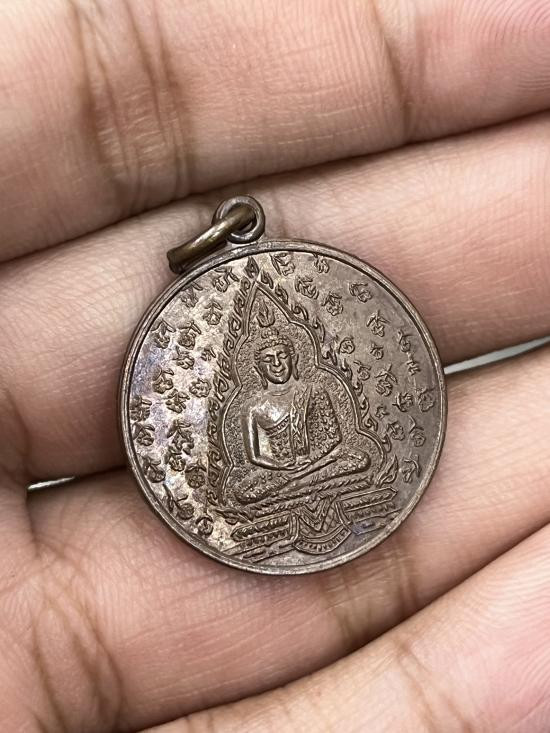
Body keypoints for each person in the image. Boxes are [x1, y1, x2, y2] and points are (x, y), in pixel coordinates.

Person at [1, 2, 550, 731]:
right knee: (246, 489)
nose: (279, 359)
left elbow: (350, 441)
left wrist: (328, 460)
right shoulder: (243, 405)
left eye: (284, 351)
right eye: (266, 358)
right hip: (272, 490)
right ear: (249, 363)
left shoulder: (320, 384)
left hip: (334, 471)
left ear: (295, 347)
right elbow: (243, 469)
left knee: (361, 457)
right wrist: (275, 478)